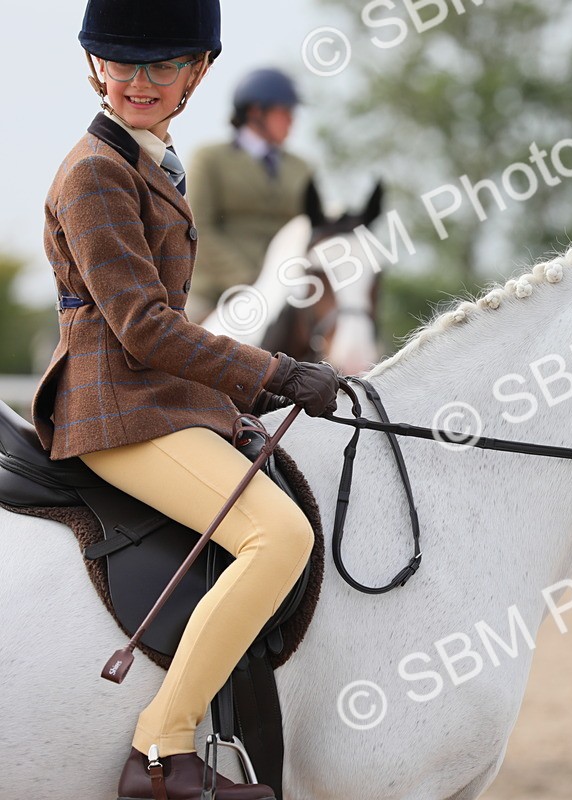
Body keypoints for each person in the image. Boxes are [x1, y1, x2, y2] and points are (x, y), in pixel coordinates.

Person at [31, 1, 341, 797]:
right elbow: (143, 327)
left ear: (197, 72)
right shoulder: (96, 171)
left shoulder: (150, 161)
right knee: (279, 535)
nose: (140, 82)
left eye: (163, 65)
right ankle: (163, 751)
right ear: (96, 66)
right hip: (114, 409)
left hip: (155, 398)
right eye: (123, 64)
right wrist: (274, 372)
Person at [185, 67, 321, 320]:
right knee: (176, 339)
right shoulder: (210, 159)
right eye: (284, 112)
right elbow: (198, 227)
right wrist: (250, 281)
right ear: (256, 112)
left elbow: (312, 228)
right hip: (216, 292)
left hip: (286, 292)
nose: (292, 121)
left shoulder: (302, 168)